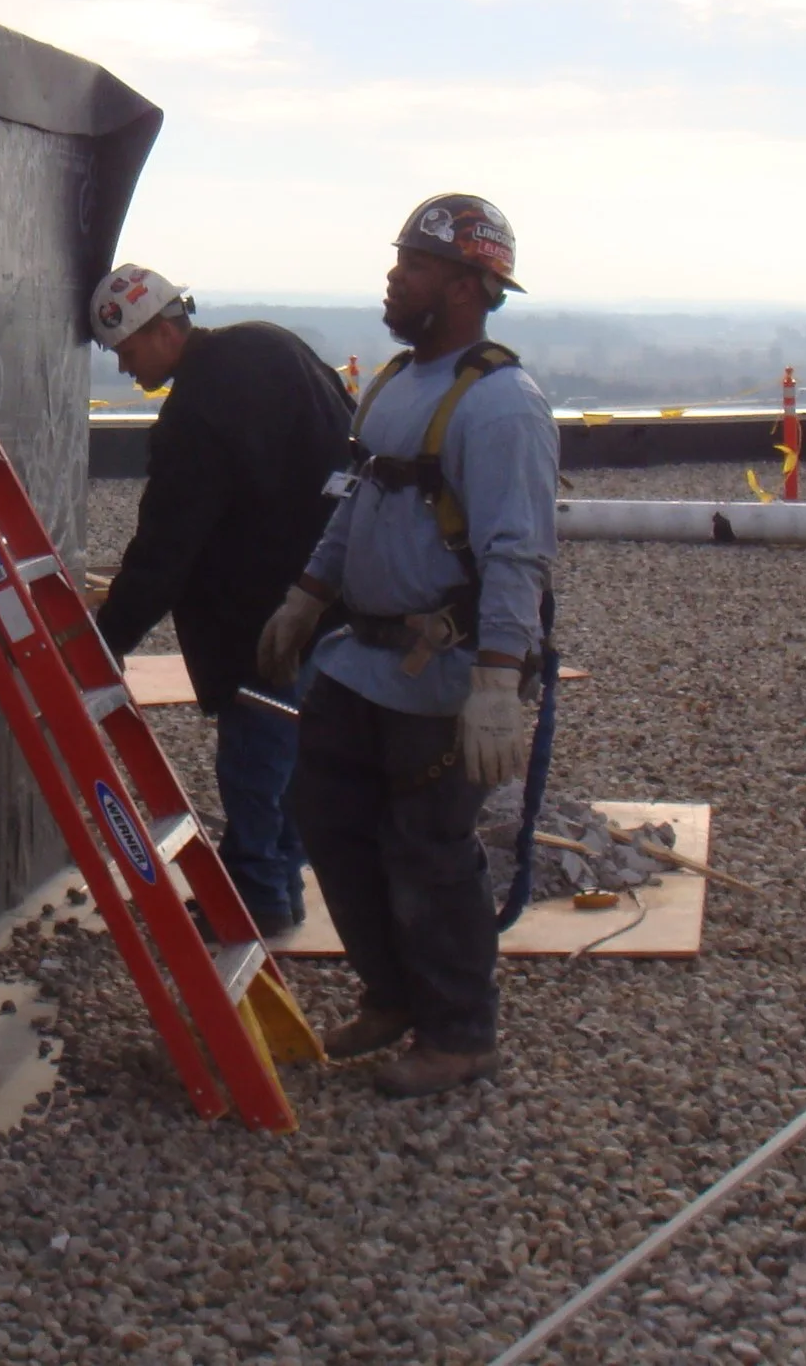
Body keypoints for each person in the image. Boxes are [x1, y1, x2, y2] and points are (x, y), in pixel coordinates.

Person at [255, 195, 558, 1097]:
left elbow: (517, 552)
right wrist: (306, 597)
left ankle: (461, 1030)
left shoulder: (501, 407)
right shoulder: (394, 385)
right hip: (366, 657)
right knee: (330, 819)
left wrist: (498, 680)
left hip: (445, 669)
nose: (395, 276)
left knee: (429, 847)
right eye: (399, 260)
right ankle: (392, 994)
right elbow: (361, 501)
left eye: (416, 266)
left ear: (470, 287)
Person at [90, 263, 354, 936]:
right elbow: (351, 447)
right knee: (290, 752)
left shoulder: (195, 413)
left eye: (126, 350)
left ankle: (257, 896)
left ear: (162, 329)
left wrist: (107, 636)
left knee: (255, 761)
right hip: (325, 598)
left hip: (254, 615)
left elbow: (165, 547)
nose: (124, 368)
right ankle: (279, 884)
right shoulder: (273, 346)